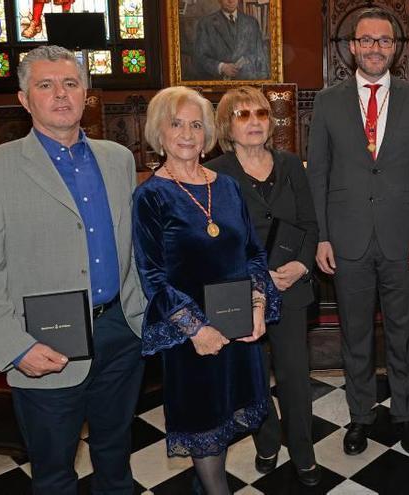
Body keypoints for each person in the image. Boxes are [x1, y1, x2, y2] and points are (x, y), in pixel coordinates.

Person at [0, 45, 145, 494]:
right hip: (44, 344)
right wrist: (14, 347)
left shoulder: (118, 159)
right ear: (25, 99)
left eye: (70, 83)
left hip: (121, 333)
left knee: (116, 460)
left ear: (86, 93)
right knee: (54, 473)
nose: (60, 94)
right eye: (45, 85)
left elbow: (136, 248)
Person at [307, 7, 409, 457]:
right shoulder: (327, 101)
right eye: (366, 40)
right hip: (345, 240)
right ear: (351, 47)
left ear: (395, 49)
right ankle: (360, 416)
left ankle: (405, 415)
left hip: (404, 240)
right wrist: (322, 236)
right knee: (356, 334)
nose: (375, 48)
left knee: (404, 333)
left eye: (384, 41)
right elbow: (319, 175)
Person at [133, 86, 280, 495]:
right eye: (176, 124)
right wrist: (197, 330)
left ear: (208, 133)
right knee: (205, 433)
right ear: (159, 133)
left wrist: (257, 302)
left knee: (227, 424)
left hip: (239, 328)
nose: (186, 133)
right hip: (190, 338)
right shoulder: (151, 196)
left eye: (196, 124)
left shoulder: (227, 187)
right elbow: (153, 276)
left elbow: (253, 252)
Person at [206, 86, 321, 487]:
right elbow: (215, 238)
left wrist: (301, 265)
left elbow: (309, 223)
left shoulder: (291, 164)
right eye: (242, 115)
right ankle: (267, 440)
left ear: (270, 122)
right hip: (244, 291)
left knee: (294, 374)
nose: (254, 121)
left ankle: (303, 450)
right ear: (227, 125)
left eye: (260, 113)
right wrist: (255, 277)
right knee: (255, 375)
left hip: (290, 286)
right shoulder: (217, 172)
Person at [194, 0, 269, 80]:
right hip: (219, 84)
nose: (231, 1)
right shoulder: (206, 24)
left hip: (248, 83)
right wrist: (221, 67)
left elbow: (261, 57)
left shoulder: (251, 23)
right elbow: (199, 58)